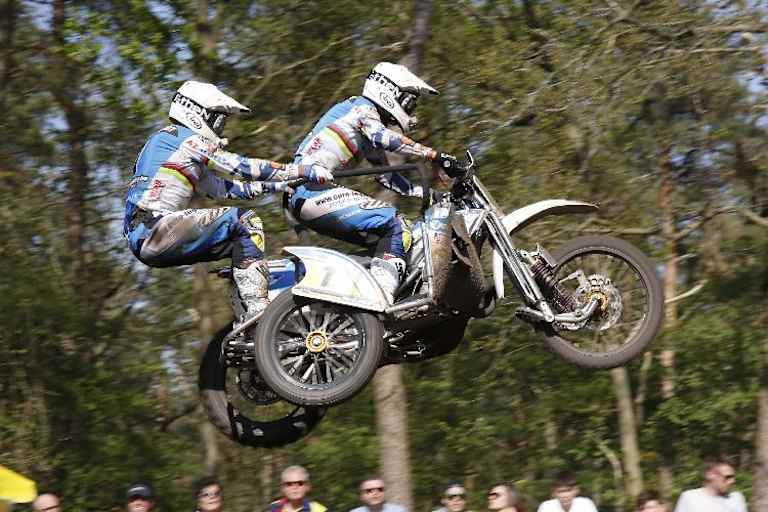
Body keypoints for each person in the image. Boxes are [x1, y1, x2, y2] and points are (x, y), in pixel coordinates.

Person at [123, 80, 331, 327]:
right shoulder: (184, 138)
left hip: (148, 235)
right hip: (153, 228)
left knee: (238, 243)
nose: (221, 129)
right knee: (245, 220)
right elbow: (239, 167)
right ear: (197, 113)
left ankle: (246, 324)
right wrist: (302, 169)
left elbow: (223, 188)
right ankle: (259, 314)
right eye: (218, 120)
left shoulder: (170, 146)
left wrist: (277, 185)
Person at [287, 61, 464, 300]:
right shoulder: (362, 109)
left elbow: (386, 175)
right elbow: (384, 137)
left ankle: (356, 301)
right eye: (409, 102)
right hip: (309, 191)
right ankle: (379, 299)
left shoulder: (363, 124)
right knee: (397, 225)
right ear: (389, 91)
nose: (410, 111)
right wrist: (433, 155)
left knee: (396, 238)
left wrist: (429, 194)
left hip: (308, 194)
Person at [673, 458, 747, 512]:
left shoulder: (736, 498)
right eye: (727, 477)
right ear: (710, 474)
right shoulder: (690, 497)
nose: (732, 481)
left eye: (733, 477)